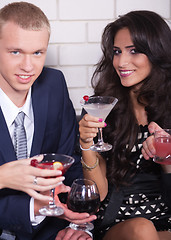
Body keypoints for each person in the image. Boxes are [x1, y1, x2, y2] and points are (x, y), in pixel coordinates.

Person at [0, 2, 96, 240]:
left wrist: (73, 225)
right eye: (15, 52)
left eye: (37, 53)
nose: (28, 66)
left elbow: (70, 165)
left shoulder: (53, 84)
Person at [78, 10, 171, 240]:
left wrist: (167, 156)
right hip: (119, 224)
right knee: (142, 230)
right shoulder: (100, 109)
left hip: (166, 219)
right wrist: (86, 144)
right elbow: (97, 195)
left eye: (134, 51)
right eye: (117, 52)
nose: (121, 62)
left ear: (156, 51)